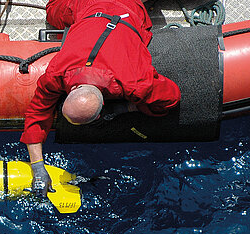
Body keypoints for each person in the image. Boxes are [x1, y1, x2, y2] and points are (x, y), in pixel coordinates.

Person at [20, 0, 181, 196]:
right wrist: (37, 168)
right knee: (53, 11)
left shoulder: (134, 83)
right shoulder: (56, 73)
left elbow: (171, 98)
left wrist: (125, 108)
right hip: (90, 5)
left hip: (123, 5)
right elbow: (37, 112)